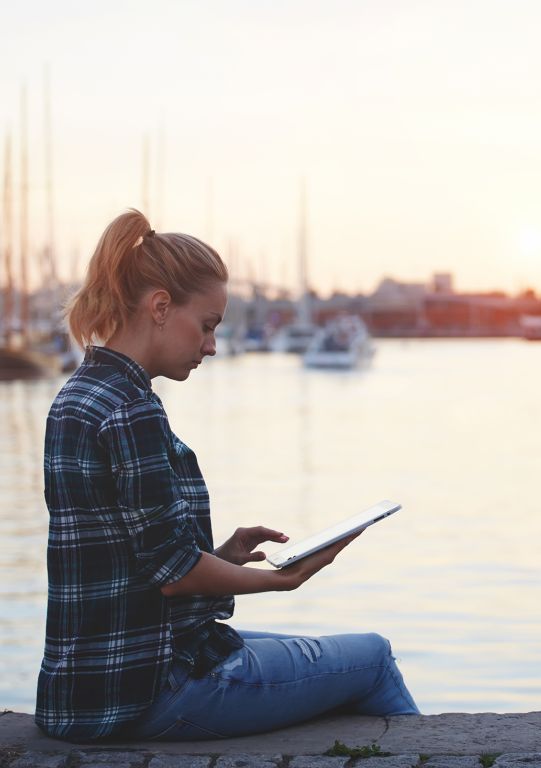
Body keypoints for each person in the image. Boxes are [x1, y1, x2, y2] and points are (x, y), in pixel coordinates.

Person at [36, 209, 419, 743]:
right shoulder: (132, 410)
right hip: (152, 689)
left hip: (83, 688)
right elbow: (175, 575)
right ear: (161, 307)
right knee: (373, 658)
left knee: (328, 660)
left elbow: (136, 562)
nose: (212, 345)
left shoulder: (75, 398)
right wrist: (280, 579)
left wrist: (220, 557)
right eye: (209, 325)